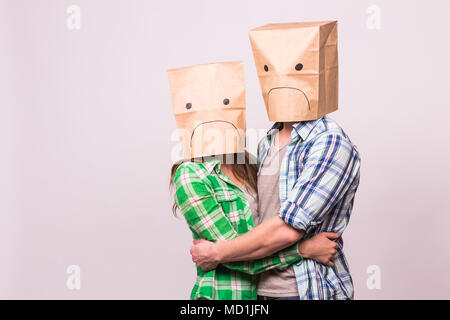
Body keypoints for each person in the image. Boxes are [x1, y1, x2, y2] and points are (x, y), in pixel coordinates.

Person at [190, 21, 361, 300]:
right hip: (255, 287)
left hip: (305, 290)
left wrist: (217, 253)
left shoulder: (329, 142)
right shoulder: (267, 140)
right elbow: (256, 221)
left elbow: (288, 228)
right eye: (269, 69)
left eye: (297, 68)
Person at [167, 61, 340, 300]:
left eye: (226, 103)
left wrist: (219, 252)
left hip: (262, 293)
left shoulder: (249, 162)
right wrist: (304, 250)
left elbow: (248, 240)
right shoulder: (190, 175)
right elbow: (235, 254)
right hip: (224, 296)